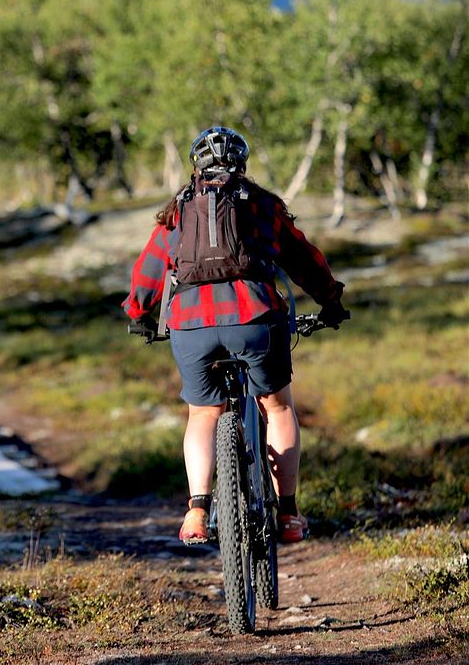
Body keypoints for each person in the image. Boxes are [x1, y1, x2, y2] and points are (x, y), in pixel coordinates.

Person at [123, 126, 348, 545]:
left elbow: (148, 270)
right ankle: (288, 514)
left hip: (191, 325)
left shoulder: (178, 210)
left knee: (202, 414)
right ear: (242, 164)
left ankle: (196, 509)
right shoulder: (262, 205)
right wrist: (331, 301)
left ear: (196, 166)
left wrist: (138, 313)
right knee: (278, 408)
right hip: (255, 319)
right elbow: (304, 258)